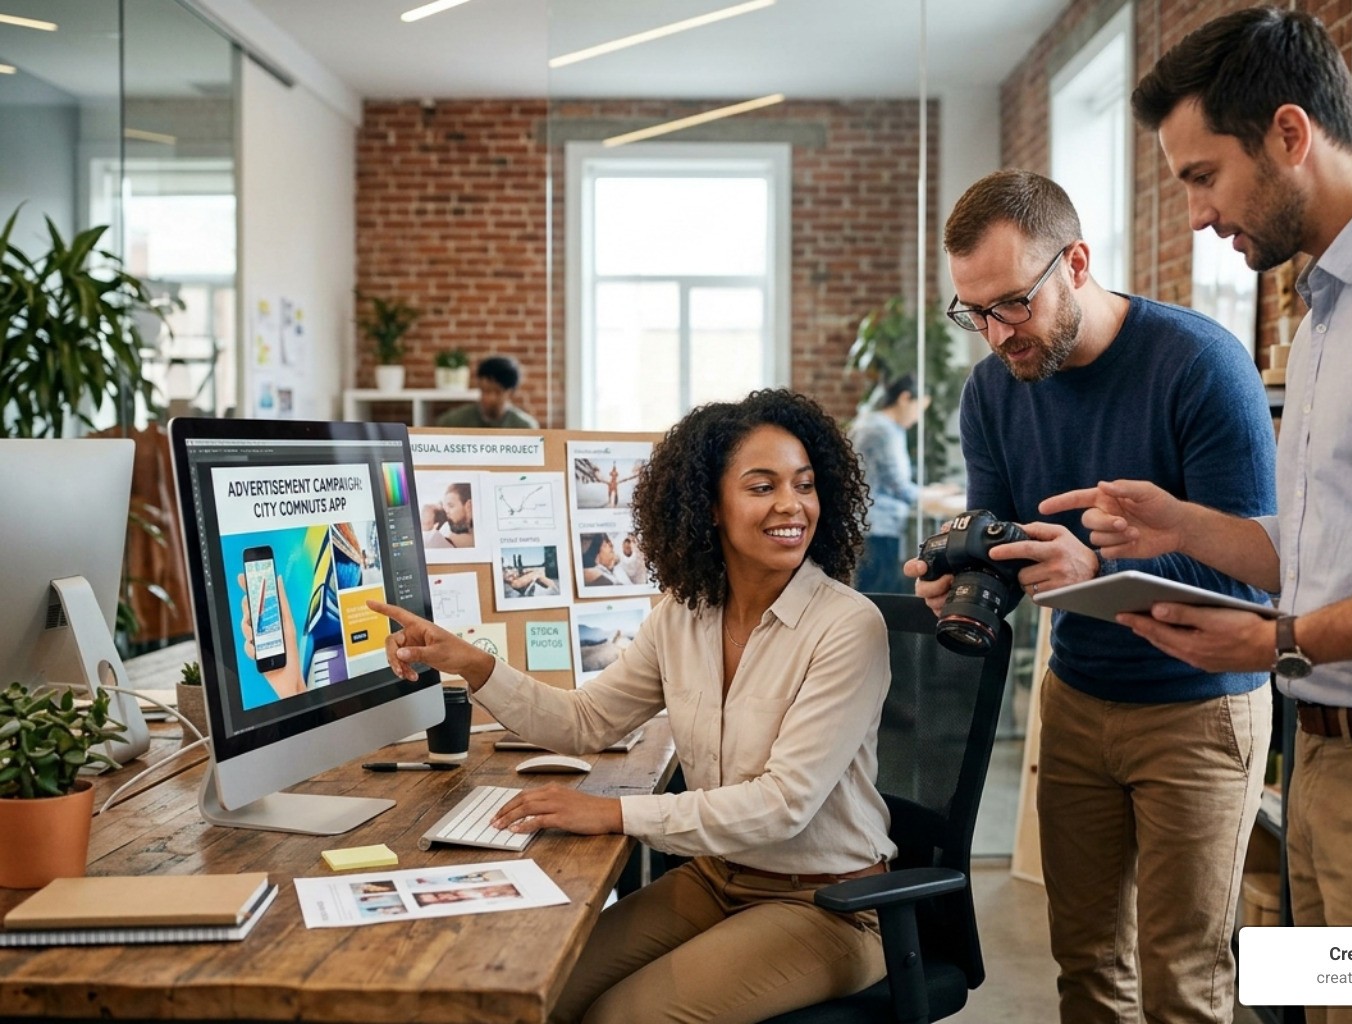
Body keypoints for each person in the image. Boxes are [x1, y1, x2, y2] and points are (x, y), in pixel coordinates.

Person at [1041, 11, 1352, 1023]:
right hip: (1341, 754)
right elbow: (1322, 549)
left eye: (1200, 175)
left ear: (1289, 133)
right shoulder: (1329, 307)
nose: (1192, 215)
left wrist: (1284, 642)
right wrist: (1184, 526)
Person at [370, 389, 893, 1024]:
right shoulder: (683, 616)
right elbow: (584, 722)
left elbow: (782, 805)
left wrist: (612, 813)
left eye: (804, 485)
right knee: (536, 992)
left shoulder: (848, 626)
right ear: (708, 507)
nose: (791, 505)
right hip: (715, 879)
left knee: (621, 1019)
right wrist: (474, 664)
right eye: (761, 487)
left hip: (827, 905)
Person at [905, 169, 1277, 1024]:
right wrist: (963, 577)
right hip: (1075, 700)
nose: (996, 335)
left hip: (1200, 708)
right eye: (974, 314)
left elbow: (1256, 572)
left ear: (1075, 262)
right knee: (1086, 964)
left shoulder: (1200, 365)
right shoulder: (993, 390)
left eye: (1012, 305)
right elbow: (1004, 539)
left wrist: (1096, 576)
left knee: (1183, 977)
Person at [847, 372, 942, 595]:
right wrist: (933, 496)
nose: (918, 418)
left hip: (868, 527)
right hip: (876, 528)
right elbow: (899, 485)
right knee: (879, 598)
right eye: (919, 409)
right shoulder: (882, 430)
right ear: (905, 398)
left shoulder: (877, 425)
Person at [435, 355, 538, 429]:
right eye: (484, 390)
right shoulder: (453, 422)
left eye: (497, 392)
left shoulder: (524, 427)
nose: (488, 398)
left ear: (511, 392)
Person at [421, 482, 474, 549]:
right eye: (445, 507)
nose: (447, 511)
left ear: (469, 506)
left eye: (451, 506)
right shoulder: (441, 537)